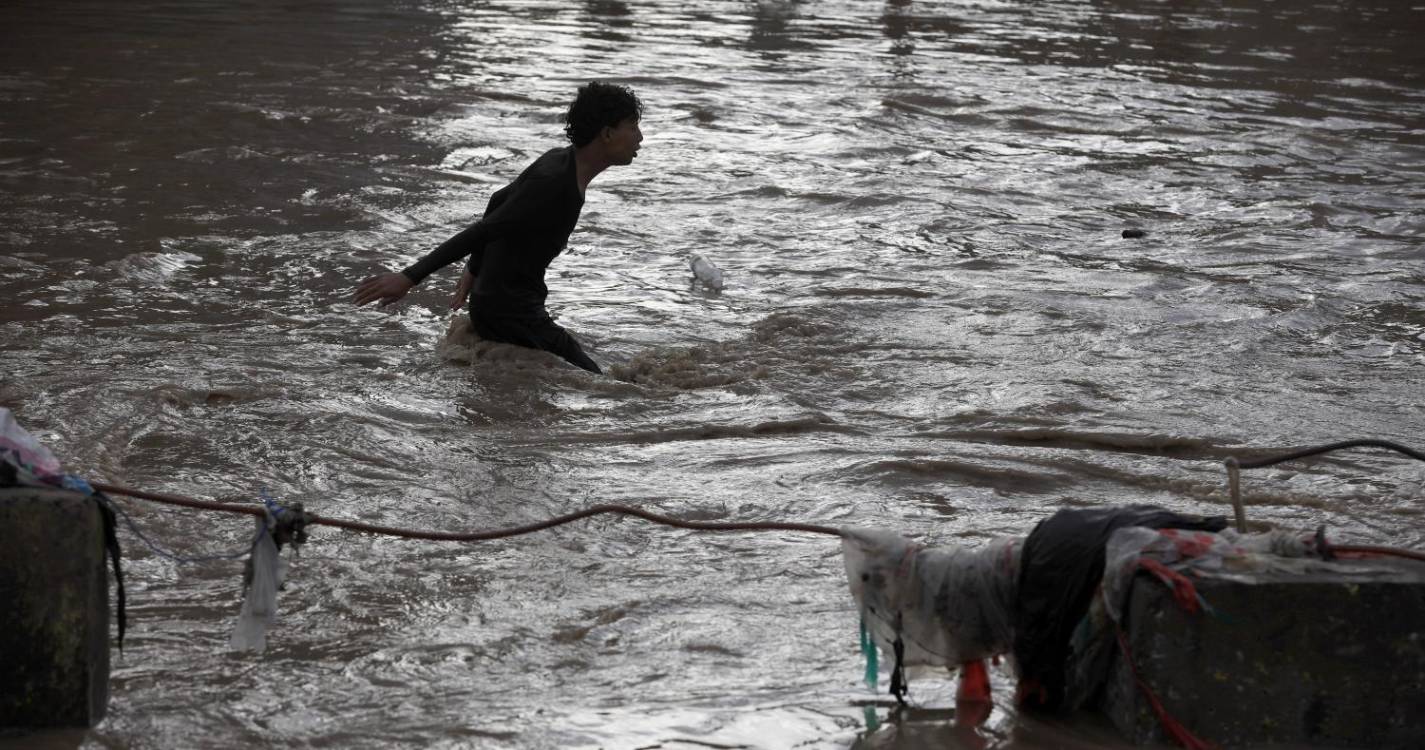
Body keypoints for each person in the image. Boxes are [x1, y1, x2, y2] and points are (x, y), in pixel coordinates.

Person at [353, 81, 644, 374]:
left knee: (585, 369)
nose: (640, 138)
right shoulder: (554, 183)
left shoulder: (560, 160)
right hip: (511, 311)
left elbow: (497, 200)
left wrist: (475, 268)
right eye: (632, 127)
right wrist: (409, 277)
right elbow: (484, 230)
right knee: (601, 384)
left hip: (499, 303)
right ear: (606, 134)